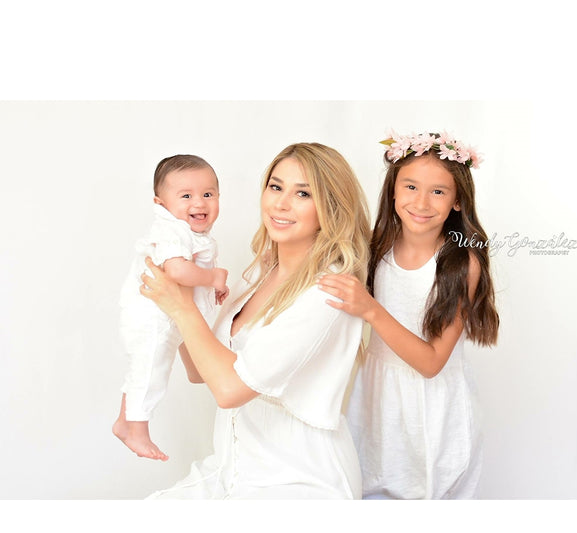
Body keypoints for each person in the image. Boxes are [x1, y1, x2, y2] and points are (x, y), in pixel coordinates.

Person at [139, 142, 371, 499]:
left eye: (303, 193)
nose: (280, 203)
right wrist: (183, 295)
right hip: (231, 469)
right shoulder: (260, 274)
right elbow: (201, 370)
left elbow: (230, 390)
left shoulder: (328, 291)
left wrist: (183, 308)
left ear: (331, 207)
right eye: (276, 187)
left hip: (298, 481)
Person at [318, 131, 499, 499]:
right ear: (393, 191)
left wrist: (371, 310)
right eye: (411, 187)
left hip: (432, 408)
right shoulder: (377, 244)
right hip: (377, 398)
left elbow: (431, 363)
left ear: (458, 201)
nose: (421, 201)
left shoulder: (462, 263)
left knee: (425, 490)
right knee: (366, 486)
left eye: (438, 191)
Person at [113, 154, 229, 462]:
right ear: (161, 204)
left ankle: (125, 420)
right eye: (186, 196)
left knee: (148, 364)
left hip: (169, 315)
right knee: (151, 368)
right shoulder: (170, 230)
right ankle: (135, 428)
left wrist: (211, 284)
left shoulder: (192, 232)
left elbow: (191, 274)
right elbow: (178, 271)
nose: (199, 203)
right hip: (152, 315)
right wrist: (213, 277)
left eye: (208, 194)